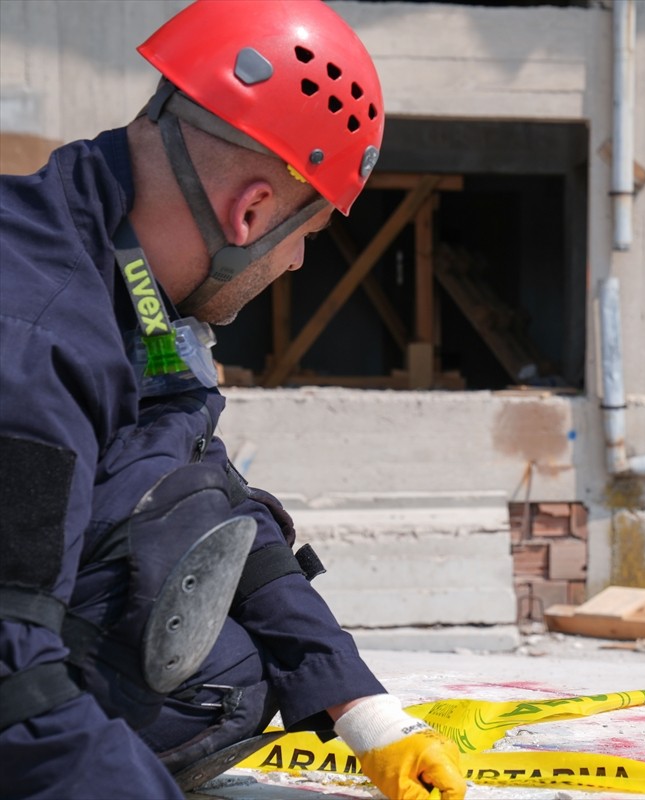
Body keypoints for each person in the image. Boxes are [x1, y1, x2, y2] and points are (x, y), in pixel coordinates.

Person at [0, 2, 466, 798]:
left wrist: (366, 712)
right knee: (195, 691)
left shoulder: (119, 271)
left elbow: (205, 490)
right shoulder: (36, 341)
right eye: (306, 235)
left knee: (225, 655)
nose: (293, 265)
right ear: (250, 212)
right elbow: (10, 683)